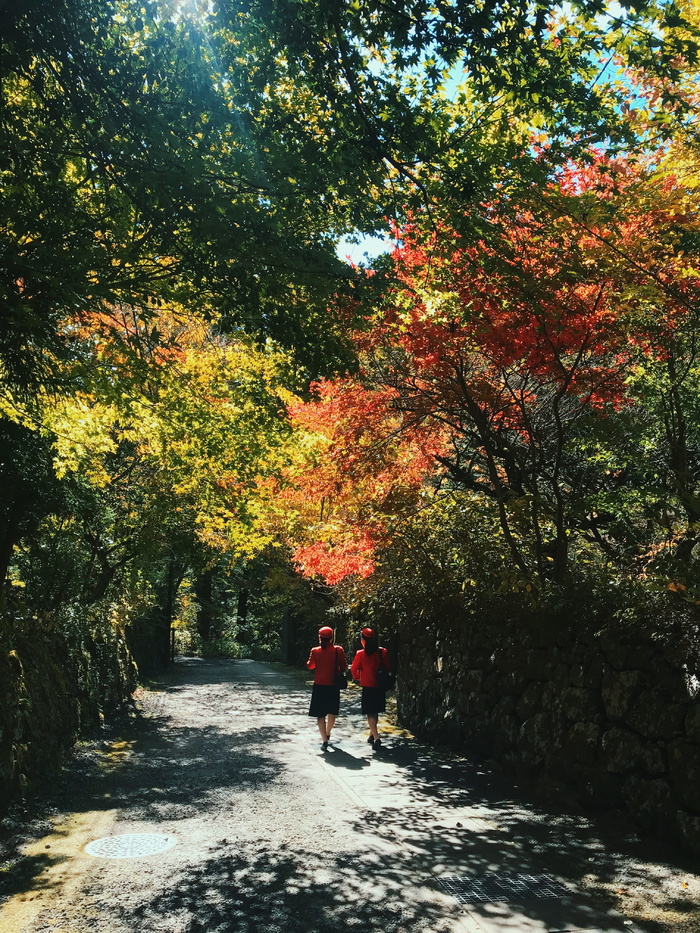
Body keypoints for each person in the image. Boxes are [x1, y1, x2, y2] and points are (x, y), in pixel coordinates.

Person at [307, 625, 347, 751]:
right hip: (333, 685)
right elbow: (344, 667)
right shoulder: (338, 650)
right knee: (332, 711)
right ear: (332, 638)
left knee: (320, 715)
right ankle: (329, 732)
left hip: (319, 685)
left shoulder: (315, 651)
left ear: (320, 638)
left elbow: (310, 666)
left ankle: (324, 740)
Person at [350, 626, 391, 748]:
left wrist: (357, 676)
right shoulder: (382, 652)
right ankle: (371, 735)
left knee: (369, 713)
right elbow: (387, 667)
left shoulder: (361, 654)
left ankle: (377, 737)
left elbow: (353, 669)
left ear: (363, 640)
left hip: (367, 685)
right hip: (379, 685)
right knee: (376, 711)